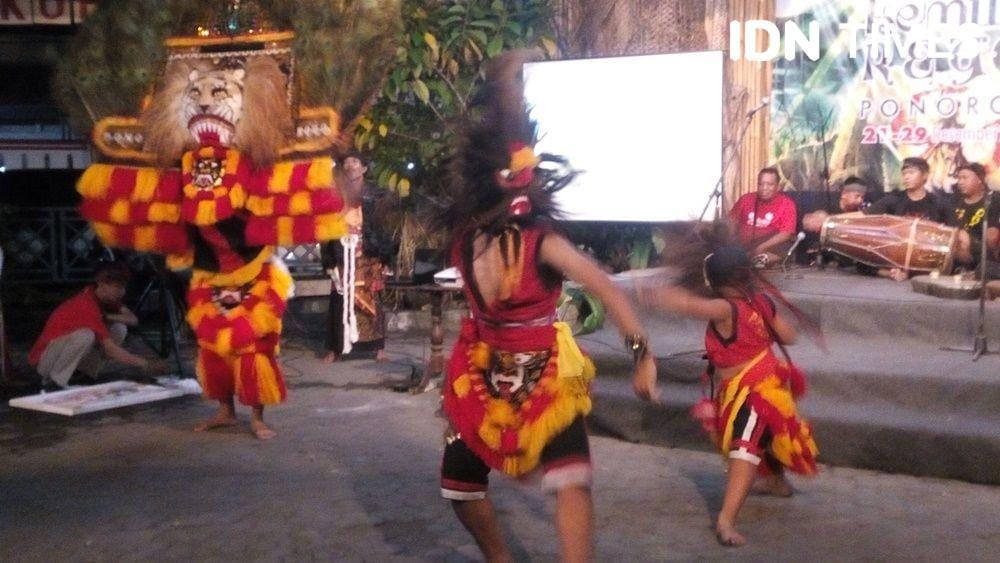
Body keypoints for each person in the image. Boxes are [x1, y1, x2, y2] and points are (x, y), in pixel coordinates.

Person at [437, 52, 658, 563]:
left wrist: (643, 356)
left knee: (570, 479)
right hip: (480, 373)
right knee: (460, 485)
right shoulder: (466, 237)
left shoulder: (545, 243)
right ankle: (500, 558)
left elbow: (608, 289)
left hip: (545, 376)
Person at [642, 240, 817, 547]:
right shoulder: (762, 302)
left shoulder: (725, 308)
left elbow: (692, 306)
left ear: (714, 282)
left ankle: (725, 520)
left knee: (744, 447)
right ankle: (776, 482)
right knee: (765, 437)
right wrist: (766, 324)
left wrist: (662, 297)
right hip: (764, 384)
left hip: (753, 390)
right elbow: (789, 337)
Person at [29, 261, 166, 388]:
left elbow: (132, 320)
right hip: (44, 363)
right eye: (118, 287)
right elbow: (110, 350)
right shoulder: (86, 304)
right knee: (85, 335)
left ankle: (84, 375)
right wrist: (144, 363)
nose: (122, 292)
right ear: (102, 284)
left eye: (123, 287)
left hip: (62, 353)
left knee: (119, 328)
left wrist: (106, 317)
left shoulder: (104, 299)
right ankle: (54, 382)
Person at [321, 151, 389, 362]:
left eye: (355, 161)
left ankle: (378, 348)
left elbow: (382, 228)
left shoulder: (375, 195)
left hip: (368, 254)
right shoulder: (334, 194)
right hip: (342, 251)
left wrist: (386, 258)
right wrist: (328, 258)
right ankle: (335, 348)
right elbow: (325, 228)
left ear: (364, 168)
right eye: (346, 162)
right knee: (340, 297)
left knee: (373, 298)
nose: (350, 165)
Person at [864, 157, 952, 280]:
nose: (906, 177)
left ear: (925, 175)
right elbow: (864, 215)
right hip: (896, 253)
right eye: (904, 173)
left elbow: (953, 233)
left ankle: (905, 273)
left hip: (925, 255)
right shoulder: (894, 199)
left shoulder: (938, 203)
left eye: (911, 173)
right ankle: (891, 273)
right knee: (864, 258)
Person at [728, 167, 797, 266]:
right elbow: (731, 221)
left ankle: (760, 259)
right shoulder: (746, 199)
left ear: (778, 186)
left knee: (787, 248)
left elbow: (786, 233)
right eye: (761, 184)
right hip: (744, 243)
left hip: (769, 243)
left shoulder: (787, 204)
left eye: (769, 184)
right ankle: (750, 258)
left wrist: (762, 247)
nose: (764, 188)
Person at [949, 163, 999, 269]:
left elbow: (992, 234)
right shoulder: (952, 201)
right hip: (954, 249)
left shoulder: (993, 200)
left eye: (965, 178)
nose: (960, 182)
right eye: (959, 178)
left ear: (979, 179)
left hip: (981, 253)